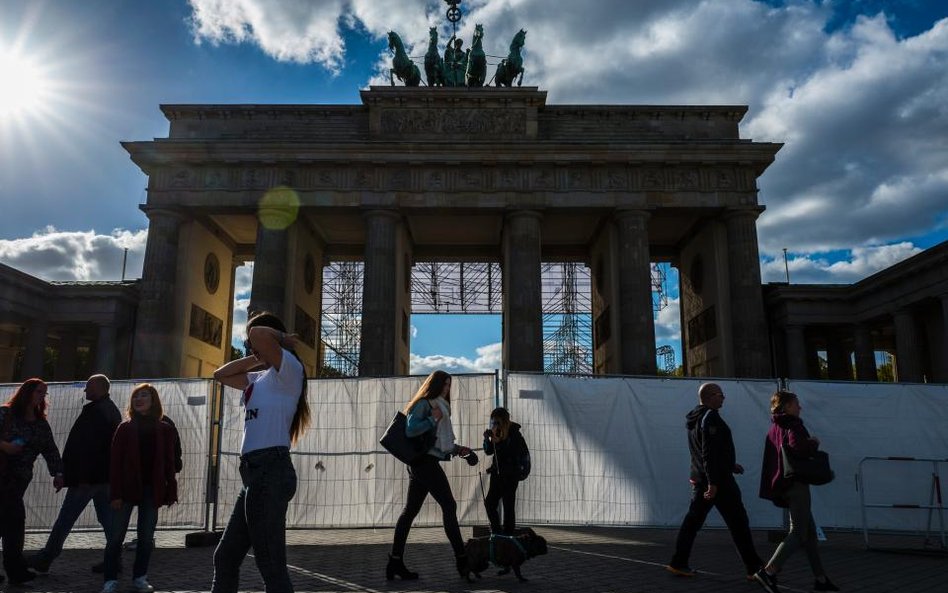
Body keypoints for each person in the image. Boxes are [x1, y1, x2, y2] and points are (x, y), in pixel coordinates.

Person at [210, 311, 310, 593]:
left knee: (270, 564)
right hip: (254, 475)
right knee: (226, 557)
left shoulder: (288, 371)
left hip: (271, 470)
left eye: (254, 342)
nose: (251, 344)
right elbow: (220, 375)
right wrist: (258, 357)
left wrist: (280, 340)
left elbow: (258, 334)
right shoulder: (257, 378)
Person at [666, 382, 763, 581]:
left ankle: (678, 562)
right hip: (718, 483)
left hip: (703, 478)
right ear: (710, 396)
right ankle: (754, 568)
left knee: (692, 522)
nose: (723, 398)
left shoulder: (696, 417)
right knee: (738, 522)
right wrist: (714, 482)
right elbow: (708, 453)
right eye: (720, 394)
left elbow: (708, 450)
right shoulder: (710, 418)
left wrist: (730, 464)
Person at [387, 370, 477, 581]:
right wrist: (432, 419)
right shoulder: (425, 404)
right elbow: (411, 430)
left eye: (448, 385)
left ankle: (395, 562)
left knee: (409, 512)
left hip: (425, 463)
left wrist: (458, 449)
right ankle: (462, 560)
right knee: (449, 506)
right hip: (423, 464)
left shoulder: (440, 407)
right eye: (444, 385)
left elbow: (437, 443)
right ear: (434, 385)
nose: (447, 389)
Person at [28, 374, 122, 575]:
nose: (85, 391)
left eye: (88, 387)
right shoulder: (108, 410)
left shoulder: (97, 412)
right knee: (108, 520)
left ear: (98, 388)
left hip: (87, 478)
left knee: (66, 517)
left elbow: (89, 448)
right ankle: (114, 559)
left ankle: (46, 557)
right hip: (102, 477)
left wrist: (81, 476)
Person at [753, 391, 839, 593]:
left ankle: (820, 579)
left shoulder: (774, 427)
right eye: (796, 404)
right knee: (799, 533)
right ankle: (768, 571)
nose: (800, 407)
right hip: (796, 484)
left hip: (783, 484)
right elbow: (798, 448)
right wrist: (813, 443)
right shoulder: (793, 424)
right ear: (787, 407)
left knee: (809, 535)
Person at [100, 383, 179, 593]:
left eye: (144, 395)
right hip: (125, 489)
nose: (139, 399)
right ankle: (110, 579)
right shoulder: (125, 428)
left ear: (153, 401)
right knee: (116, 537)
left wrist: (171, 490)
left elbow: (169, 462)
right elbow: (114, 463)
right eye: (136, 396)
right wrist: (115, 493)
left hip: (151, 490)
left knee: (145, 537)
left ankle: (140, 577)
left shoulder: (165, 429)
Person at [0, 378, 64, 585]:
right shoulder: (5, 413)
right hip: (2, 477)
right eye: (39, 391)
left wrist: (58, 473)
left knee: (9, 525)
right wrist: (5, 446)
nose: (42, 396)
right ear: (27, 392)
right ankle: (16, 571)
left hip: (19, 481)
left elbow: (50, 450)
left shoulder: (39, 423)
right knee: (14, 524)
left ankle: (16, 571)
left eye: (44, 393)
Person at [482, 407, 529, 535]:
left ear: (505, 421)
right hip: (497, 474)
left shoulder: (515, 435)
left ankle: (508, 534)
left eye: (497, 422)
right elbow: (489, 451)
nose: (495, 425)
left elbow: (513, 452)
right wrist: (487, 440)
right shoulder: (497, 433)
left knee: (508, 505)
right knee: (490, 503)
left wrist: (498, 441)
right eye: (493, 422)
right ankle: (497, 530)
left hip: (510, 475)